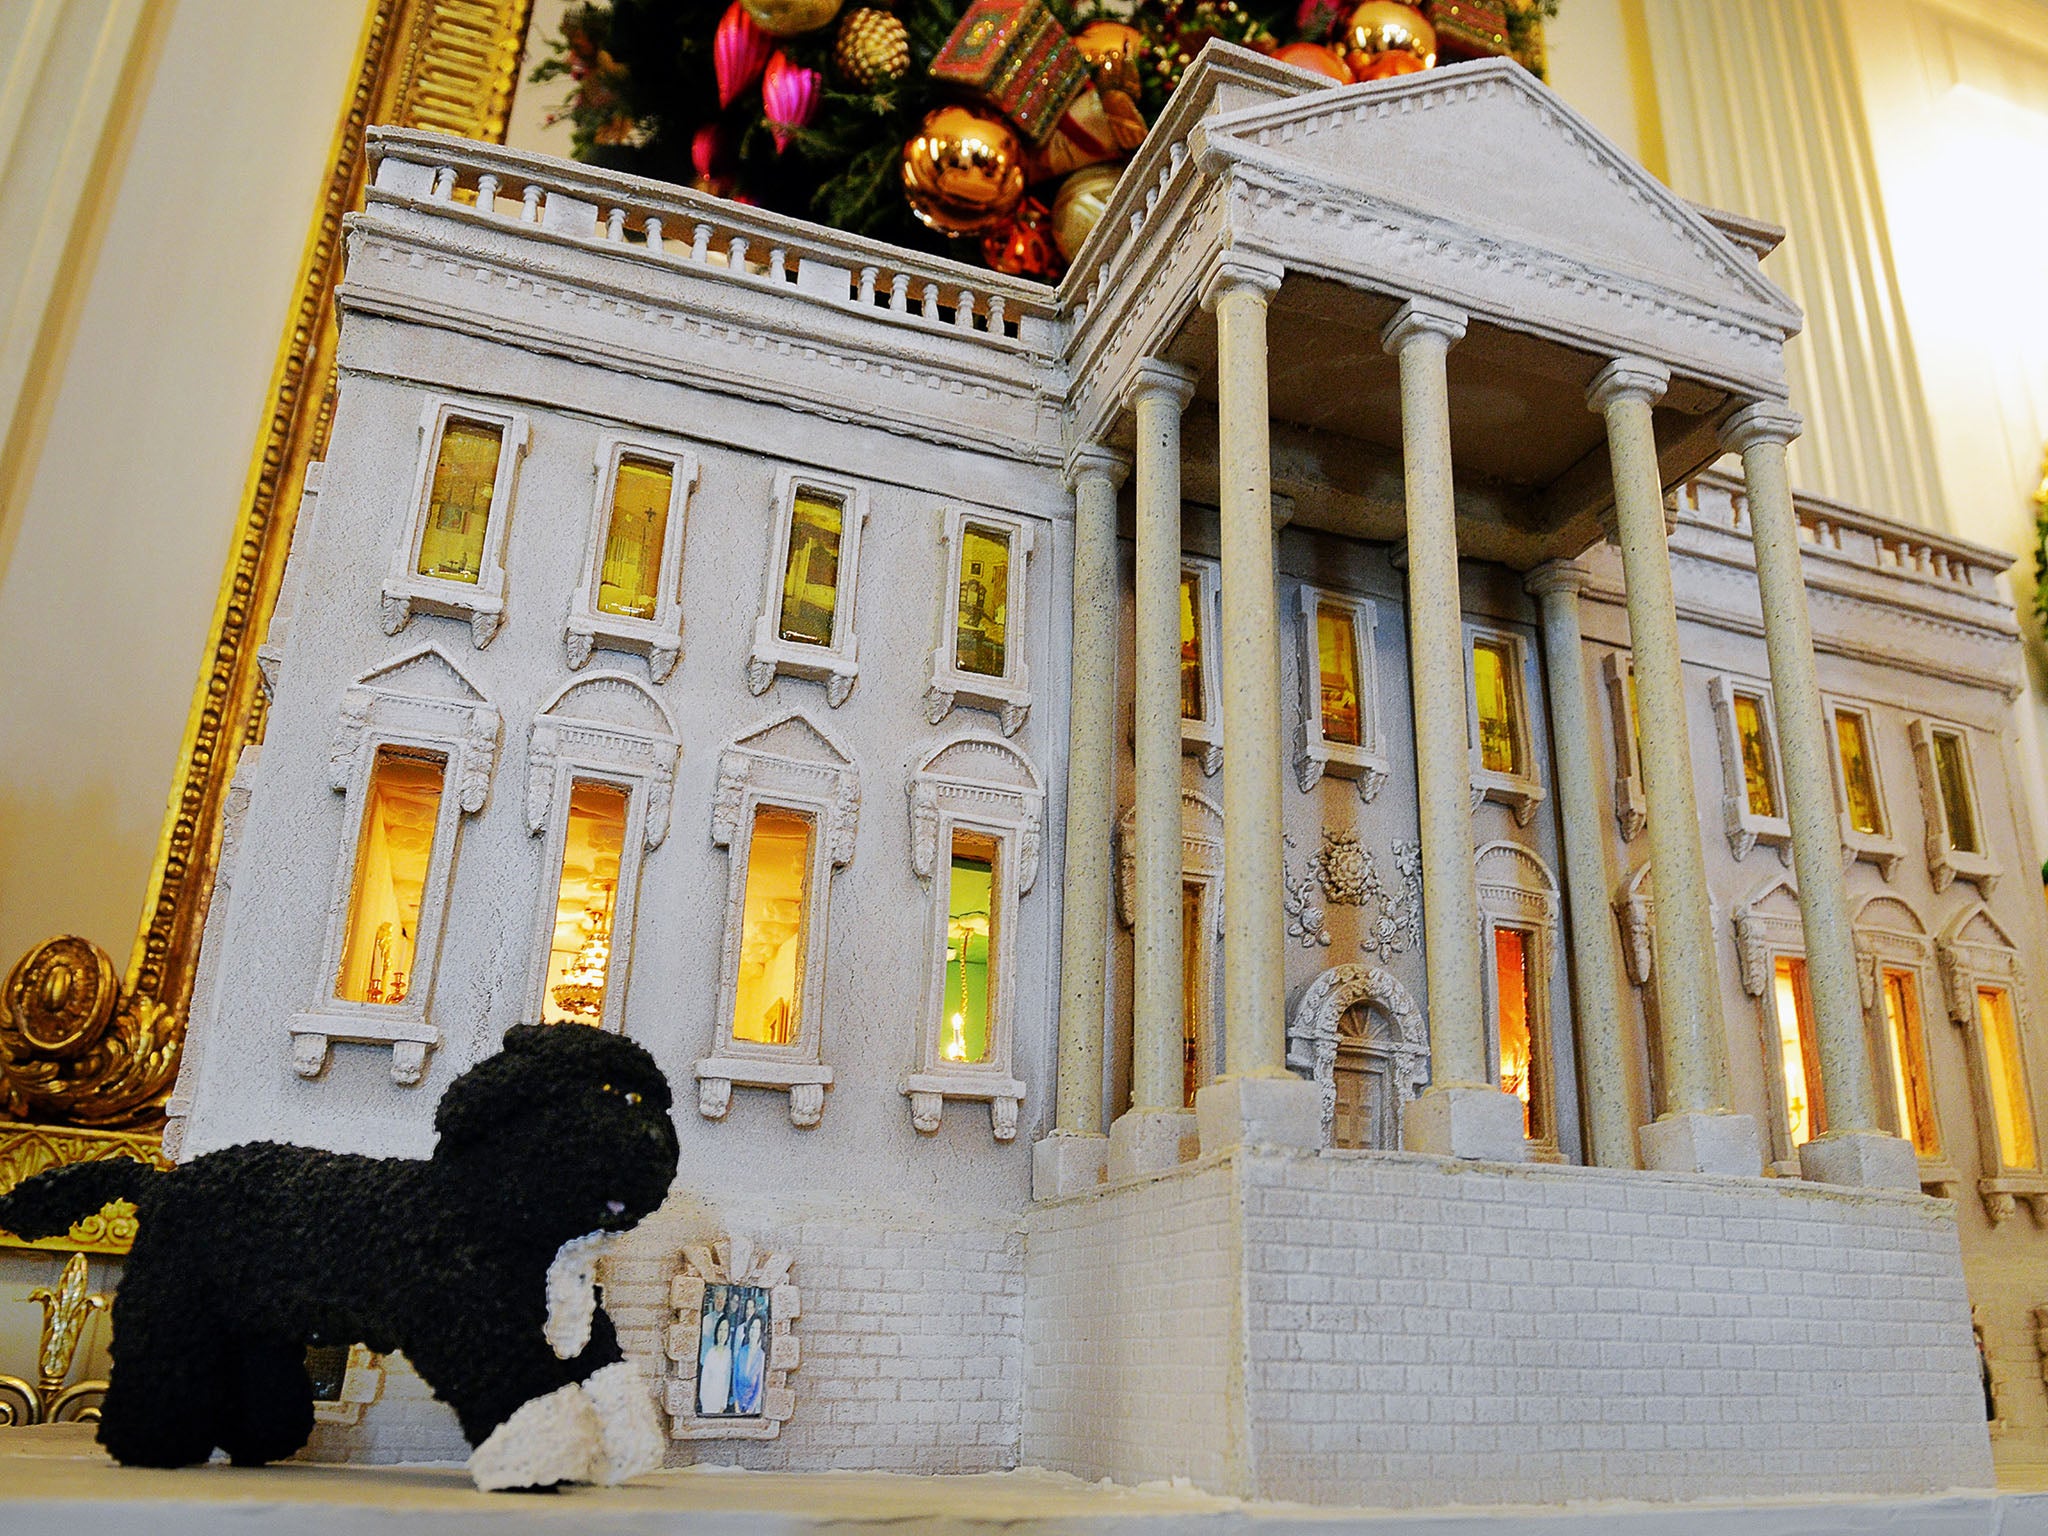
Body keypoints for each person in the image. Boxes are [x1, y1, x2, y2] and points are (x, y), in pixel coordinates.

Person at [697, 1315, 733, 1416]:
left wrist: (723, 1404)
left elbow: (727, 1380)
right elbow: (704, 1381)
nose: (722, 1334)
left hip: (720, 1401)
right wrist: (704, 1402)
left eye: (725, 1330)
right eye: (720, 1329)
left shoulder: (728, 1353)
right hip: (708, 1399)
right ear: (716, 1331)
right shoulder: (710, 1353)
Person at [733, 1316, 766, 1415]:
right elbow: (734, 1380)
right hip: (737, 1406)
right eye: (752, 1327)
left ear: (760, 1332)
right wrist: (736, 1406)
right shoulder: (742, 1351)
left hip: (752, 1409)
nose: (754, 1331)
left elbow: (759, 1388)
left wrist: (749, 1410)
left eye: (757, 1328)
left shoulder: (761, 1356)